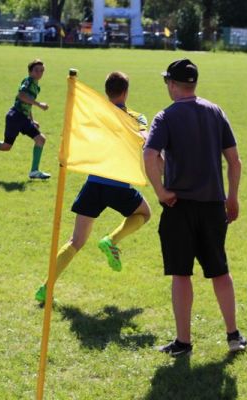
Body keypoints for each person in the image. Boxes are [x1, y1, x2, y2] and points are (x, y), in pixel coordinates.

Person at [143, 59, 247, 357]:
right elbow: (235, 160)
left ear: (174, 85)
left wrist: (161, 192)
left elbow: (150, 156)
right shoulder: (216, 112)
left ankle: (183, 342)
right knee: (220, 272)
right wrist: (233, 197)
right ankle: (233, 335)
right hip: (214, 205)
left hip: (179, 207)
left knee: (181, 274)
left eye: (167, 82)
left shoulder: (165, 117)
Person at [35, 71, 151, 303]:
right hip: (118, 185)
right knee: (144, 214)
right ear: (126, 92)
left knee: (75, 240)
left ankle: (46, 288)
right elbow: (145, 138)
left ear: (107, 91)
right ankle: (112, 240)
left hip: (94, 184)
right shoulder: (137, 118)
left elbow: (79, 135)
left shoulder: (96, 115)